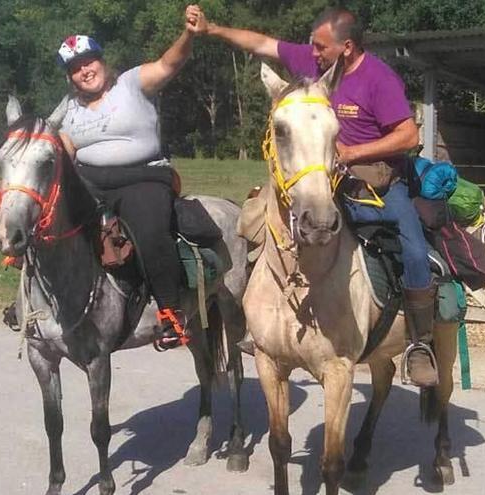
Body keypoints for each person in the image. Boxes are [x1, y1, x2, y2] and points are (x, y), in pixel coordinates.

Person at [186, 6, 439, 386]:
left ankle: (420, 343)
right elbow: (261, 44)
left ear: (347, 47)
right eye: (312, 45)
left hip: (375, 184)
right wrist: (212, 29)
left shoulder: (378, 79)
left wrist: (352, 153)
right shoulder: (313, 60)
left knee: (415, 250)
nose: (312, 53)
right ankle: (262, 320)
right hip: (316, 179)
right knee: (255, 223)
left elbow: (409, 136)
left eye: (320, 47)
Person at [55, 18, 196, 351]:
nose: (85, 70)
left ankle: (170, 314)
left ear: (102, 61)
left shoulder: (131, 83)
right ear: (70, 77)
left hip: (142, 177)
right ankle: (39, 302)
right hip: (90, 183)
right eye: (75, 68)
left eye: (88, 61)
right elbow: (62, 150)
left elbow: (170, 62)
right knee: (50, 224)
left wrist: (188, 32)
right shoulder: (69, 111)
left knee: (148, 230)